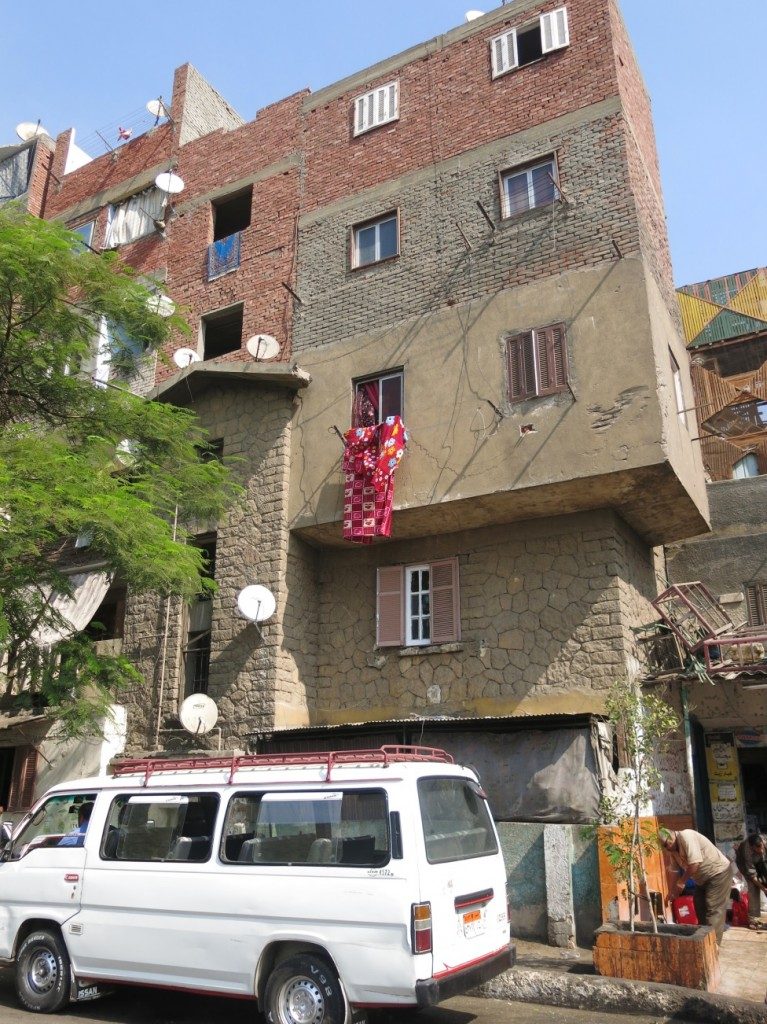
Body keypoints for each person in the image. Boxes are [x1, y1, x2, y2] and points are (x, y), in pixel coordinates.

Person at [660, 827, 732, 944]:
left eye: (668, 844)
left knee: (713, 909)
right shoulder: (672, 851)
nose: (668, 847)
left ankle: (713, 945)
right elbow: (674, 871)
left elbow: (694, 864)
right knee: (699, 906)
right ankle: (705, 942)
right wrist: (671, 891)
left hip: (718, 873)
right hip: (702, 879)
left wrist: (681, 882)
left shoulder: (686, 836)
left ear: (672, 837)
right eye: (665, 846)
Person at [735, 833, 767, 930]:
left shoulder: (765, 841)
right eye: (758, 850)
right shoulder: (746, 851)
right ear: (752, 847)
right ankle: (753, 920)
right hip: (746, 866)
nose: (761, 851)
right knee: (754, 889)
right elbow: (752, 875)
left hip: (763, 863)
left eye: (762, 848)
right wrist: (764, 889)